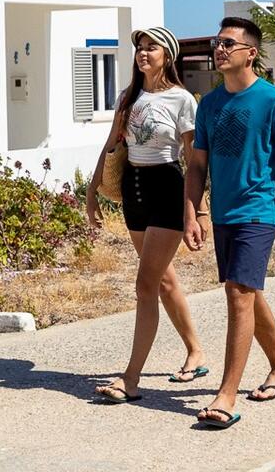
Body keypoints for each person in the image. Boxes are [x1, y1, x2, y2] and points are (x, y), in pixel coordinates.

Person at [183, 14, 275, 430]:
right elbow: (197, 165)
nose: (219, 49)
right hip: (223, 214)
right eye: (217, 43)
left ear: (250, 53)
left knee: (238, 293)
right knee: (247, 291)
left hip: (259, 210)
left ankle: (226, 396)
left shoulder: (273, 101)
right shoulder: (209, 104)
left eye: (228, 44)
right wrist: (193, 212)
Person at [85, 26, 209, 403]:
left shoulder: (182, 100)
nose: (143, 53)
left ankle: (131, 378)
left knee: (145, 285)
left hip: (167, 189)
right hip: (133, 190)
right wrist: (91, 191)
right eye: (140, 47)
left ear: (167, 55)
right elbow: (111, 144)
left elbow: (194, 159)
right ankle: (196, 351)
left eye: (151, 47)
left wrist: (198, 211)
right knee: (163, 280)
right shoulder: (128, 97)